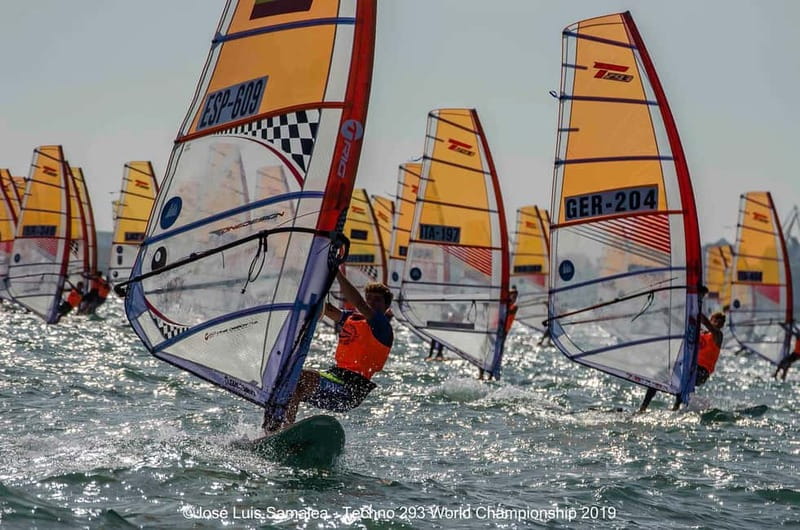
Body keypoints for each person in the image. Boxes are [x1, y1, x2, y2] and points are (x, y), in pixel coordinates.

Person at [263, 269, 394, 433]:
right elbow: (328, 310)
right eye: (370, 298)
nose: (372, 303)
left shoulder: (382, 326)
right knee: (289, 381)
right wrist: (308, 284)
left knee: (300, 377)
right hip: (334, 377)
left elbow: (359, 304)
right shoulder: (352, 318)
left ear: (386, 307)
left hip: (350, 389)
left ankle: (287, 428)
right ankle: (273, 431)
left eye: (378, 300)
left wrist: (336, 272)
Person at [638, 311, 725, 412]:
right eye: (716, 319)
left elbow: (706, 323)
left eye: (721, 321)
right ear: (712, 319)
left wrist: (696, 309)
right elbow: (681, 324)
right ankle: (642, 408)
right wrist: (668, 314)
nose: (718, 322)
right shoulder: (700, 332)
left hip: (701, 372)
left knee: (685, 373)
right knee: (658, 377)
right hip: (689, 366)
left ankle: (676, 408)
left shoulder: (718, 335)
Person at [478, 287, 518, 380]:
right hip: (492, 330)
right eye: (512, 296)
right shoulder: (501, 305)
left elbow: (508, 311)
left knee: (496, 354)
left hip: (502, 333)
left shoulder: (514, 307)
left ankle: (491, 376)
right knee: (483, 351)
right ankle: (481, 375)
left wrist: (504, 303)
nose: (514, 298)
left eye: (515, 297)